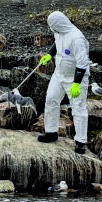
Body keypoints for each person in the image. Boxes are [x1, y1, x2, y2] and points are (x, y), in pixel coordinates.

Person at [37, 11, 90, 154]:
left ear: (59, 23)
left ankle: (80, 141)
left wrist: (77, 83)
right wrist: (49, 54)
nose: (51, 28)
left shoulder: (76, 38)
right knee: (51, 99)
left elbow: (83, 62)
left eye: (52, 25)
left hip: (75, 77)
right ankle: (51, 133)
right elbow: (56, 43)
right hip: (59, 73)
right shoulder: (59, 32)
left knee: (78, 107)